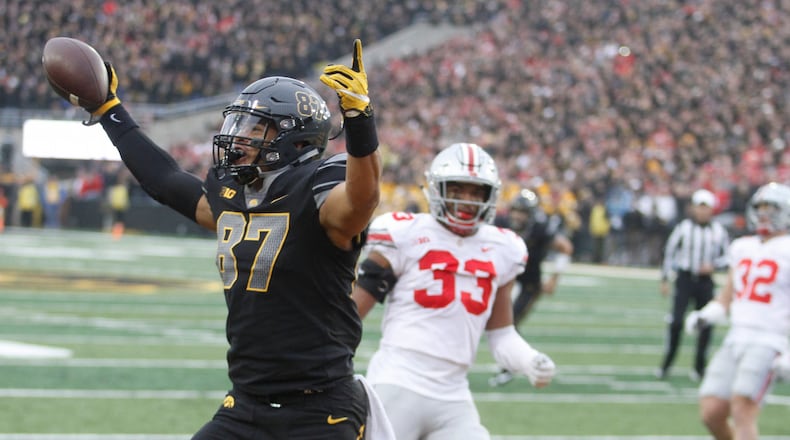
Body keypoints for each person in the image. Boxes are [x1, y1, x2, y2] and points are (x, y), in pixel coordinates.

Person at [50, 39, 388, 440]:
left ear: (294, 139)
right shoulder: (235, 195)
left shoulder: (319, 186)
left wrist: (360, 122)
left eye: (255, 128)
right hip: (246, 403)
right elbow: (166, 181)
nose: (239, 138)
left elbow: (361, 199)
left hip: (319, 409)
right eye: (239, 125)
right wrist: (110, 111)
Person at [352, 142, 556, 440]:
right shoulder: (404, 233)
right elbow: (351, 312)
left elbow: (501, 334)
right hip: (397, 380)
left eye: (476, 192)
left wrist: (529, 360)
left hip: (454, 394)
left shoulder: (504, 248)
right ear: (437, 188)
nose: (467, 200)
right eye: (458, 189)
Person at [684, 182, 790, 440]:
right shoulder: (743, 246)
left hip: (770, 339)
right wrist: (706, 314)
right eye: (760, 208)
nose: (764, 215)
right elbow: (727, 297)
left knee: (743, 407)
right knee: (711, 410)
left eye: (771, 209)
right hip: (737, 336)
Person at [489, 187, 573, 387]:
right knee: (500, 321)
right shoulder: (500, 224)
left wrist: (554, 278)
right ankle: (510, 365)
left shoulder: (540, 230)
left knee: (512, 321)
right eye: (516, 210)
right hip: (505, 280)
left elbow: (566, 248)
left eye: (523, 212)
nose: (518, 216)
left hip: (529, 283)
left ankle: (511, 366)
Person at [656, 188, 730, 381]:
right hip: (685, 279)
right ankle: (666, 365)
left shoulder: (718, 230)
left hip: (705, 282)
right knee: (676, 322)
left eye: (706, 207)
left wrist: (713, 266)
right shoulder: (683, 228)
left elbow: (729, 257)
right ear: (694, 208)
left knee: (705, 324)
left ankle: (699, 368)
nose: (703, 211)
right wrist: (664, 278)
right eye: (700, 207)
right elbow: (669, 252)